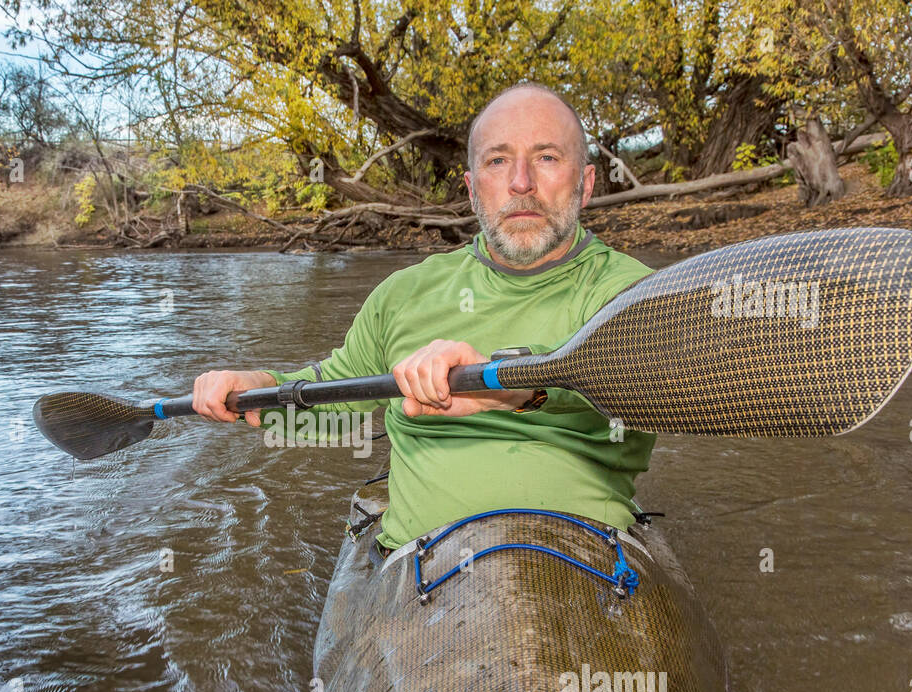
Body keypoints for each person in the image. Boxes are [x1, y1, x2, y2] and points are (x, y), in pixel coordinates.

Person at [192, 83, 655, 557]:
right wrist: (256, 388)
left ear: (588, 182)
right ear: (474, 189)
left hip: (588, 556)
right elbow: (333, 400)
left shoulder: (636, 294)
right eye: (497, 161)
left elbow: (659, 383)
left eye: (547, 157)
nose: (521, 183)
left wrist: (515, 388)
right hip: (420, 569)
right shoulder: (402, 293)